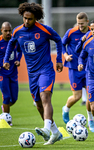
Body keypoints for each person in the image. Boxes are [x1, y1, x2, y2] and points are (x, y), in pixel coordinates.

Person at [3, 2, 63, 145]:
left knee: (45, 97)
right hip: (32, 74)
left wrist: (59, 59)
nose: (26, 21)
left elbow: (58, 40)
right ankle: (55, 132)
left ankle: (46, 130)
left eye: (30, 19)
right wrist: (6, 59)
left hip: (46, 70)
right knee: (38, 105)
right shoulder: (18, 31)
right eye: (25, 18)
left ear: (35, 18)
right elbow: (11, 43)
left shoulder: (44, 30)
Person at [61, 12, 94, 132]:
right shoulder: (71, 32)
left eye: (82, 23)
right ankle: (65, 109)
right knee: (77, 96)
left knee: (90, 96)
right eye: (78, 23)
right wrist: (65, 55)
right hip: (74, 68)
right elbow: (61, 44)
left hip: (88, 68)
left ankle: (90, 120)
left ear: (87, 22)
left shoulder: (93, 31)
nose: (80, 26)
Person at [0, 22, 22, 126]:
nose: (8, 33)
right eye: (6, 31)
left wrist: (18, 60)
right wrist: (2, 64)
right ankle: (6, 120)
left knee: (14, 98)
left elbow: (20, 50)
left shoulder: (15, 40)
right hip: (2, 74)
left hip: (13, 73)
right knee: (7, 97)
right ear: (1, 31)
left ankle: (4, 108)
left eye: (10, 30)